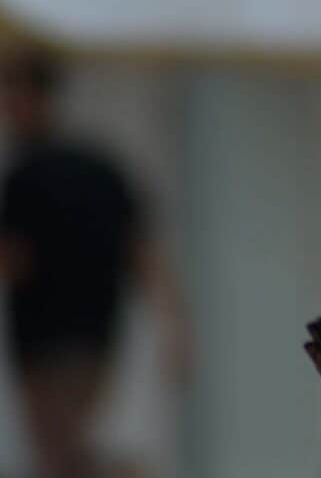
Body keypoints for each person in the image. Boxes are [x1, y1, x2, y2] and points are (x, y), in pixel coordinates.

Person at [0, 48, 187, 478]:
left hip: (52, 338)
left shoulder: (29, 176)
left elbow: (15, 259)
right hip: (89, 336)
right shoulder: (97, 167)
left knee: (58, 451)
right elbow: (143, 253)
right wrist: (175, 325)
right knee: (62, 448)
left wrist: (174, 323)